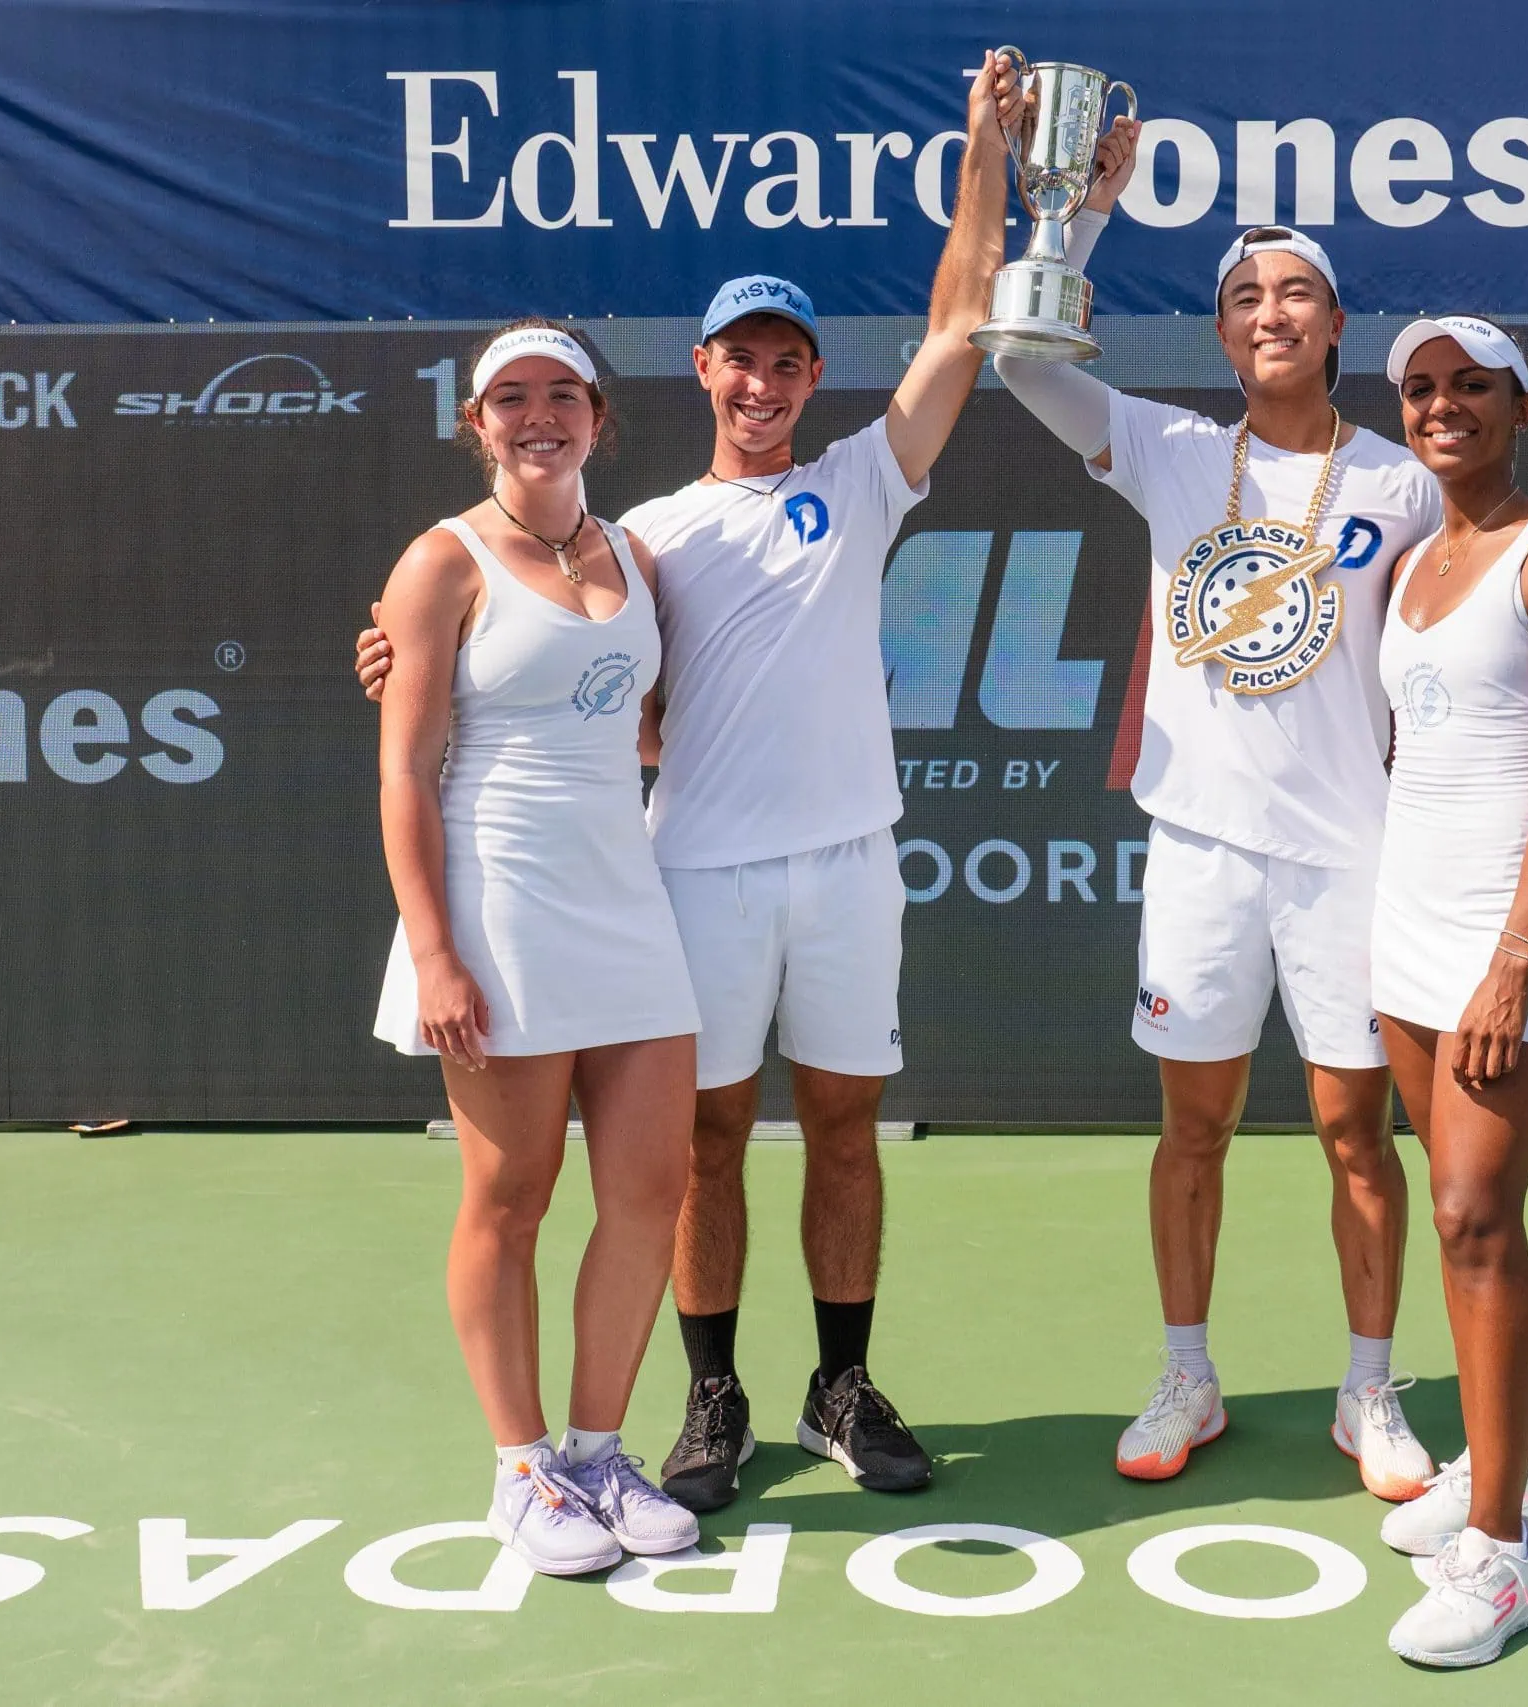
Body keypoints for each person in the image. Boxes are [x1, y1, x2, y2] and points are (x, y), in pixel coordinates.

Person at [359, 54, 1028, 1512]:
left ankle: (840, 1382)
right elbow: (546, 668)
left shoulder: (864, 480)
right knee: (705, 1142)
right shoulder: (640, 539)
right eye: (743, 358)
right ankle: (708, 1392)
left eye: (791, 361)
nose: (767, 381)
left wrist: (984, 149)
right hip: (697, 877)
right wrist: (396, 657)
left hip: (852, 863)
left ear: (811, 378)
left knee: (846, 1125)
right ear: (701, 372)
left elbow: (963, 317)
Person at [993, 134, 1528, 1501]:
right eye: (1243, 298)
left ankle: (1369, 1383)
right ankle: (1186, 1370)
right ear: (1221, 333)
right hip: (1201, 852)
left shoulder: (1406, 480)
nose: (1270, 313)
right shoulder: (1165, 448)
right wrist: (1082, 215)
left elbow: (1514, 568)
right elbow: (1020, 359)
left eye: (1295, 294)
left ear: (1338, 325)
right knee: (1196, 1128)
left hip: (1355, 858)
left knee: (1358, 1132)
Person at [371, 319, 704, 1575]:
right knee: (509, 1200)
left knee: (645, 1194)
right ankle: (520, 1472)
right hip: (495, 905)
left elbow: (647, 725)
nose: (536, 415)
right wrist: (434, 949)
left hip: (626, 902)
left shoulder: (636, 558)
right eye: (509, 399)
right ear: (477, 424)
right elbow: (404, 768)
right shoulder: (437, 564)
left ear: (599, 420)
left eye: (560, 394)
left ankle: (597, 1453)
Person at [1366, 316, 1528, 1668]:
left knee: (1471, 1215)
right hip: (1407, 920)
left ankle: (1503, 1552)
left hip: (1512, 930)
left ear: (1523, 404)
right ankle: (1492, 1459)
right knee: (1469, 1215)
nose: (1444, 406)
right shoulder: (1414, 561)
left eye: (1471, 386)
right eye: (1422, 388)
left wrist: (1514, 955)